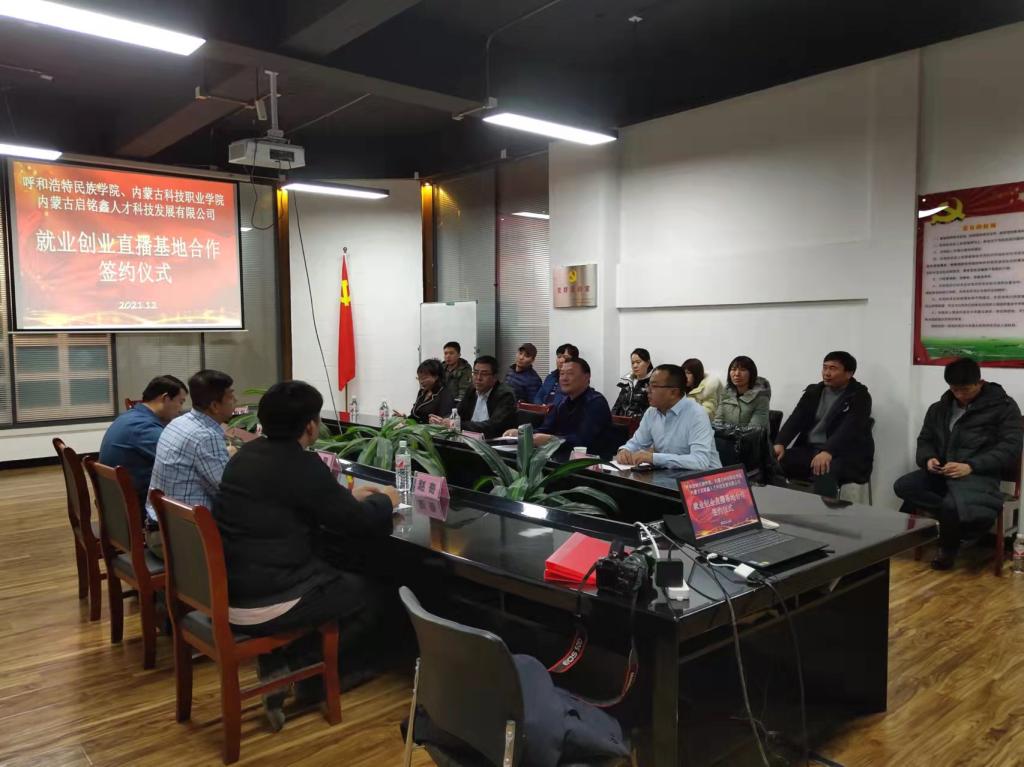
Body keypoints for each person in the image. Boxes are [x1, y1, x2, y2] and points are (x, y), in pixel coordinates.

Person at [214, 380, 399, 728]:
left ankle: (284, 660)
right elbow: (358, 522)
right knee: (374, 592)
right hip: (271, 599)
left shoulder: (246, 456)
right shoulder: (302, 464)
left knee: (339, 573)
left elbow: (303, 502)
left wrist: (347, 499)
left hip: (231, 590)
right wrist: (386, 501)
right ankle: (302, 669)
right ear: (311, 426)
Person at [894, 358, 1023, 570]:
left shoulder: (1004, 408)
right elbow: (925, 439)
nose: (960, 395)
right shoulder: (939, 408)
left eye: (966, 389)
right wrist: (928, 459)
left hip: (978, 475)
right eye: (955, 390)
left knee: (951, 505)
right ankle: (956, 526)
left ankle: (947, 551)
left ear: (979, 382)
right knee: (904, 486)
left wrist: (971, 466)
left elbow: (1010, 448)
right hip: (943, 471)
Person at [145, 369, 237, 558]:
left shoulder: (178, 423)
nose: (235, 400)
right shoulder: (205, 436)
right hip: (180, 540)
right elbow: (228, 494)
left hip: (161, 529)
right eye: (231, 396)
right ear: (215, 406)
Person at [773, 351, 873, 499]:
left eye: (833, 368)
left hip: (845, 454)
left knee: (823, 469)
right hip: (810, 450)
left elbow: (849, 429)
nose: (826, 373)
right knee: (773, 462)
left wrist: (828, 451)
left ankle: (822, 513)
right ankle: (781, 506)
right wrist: (780, 442)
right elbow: (796, 419)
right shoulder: (814, 392)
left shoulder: (860, 396)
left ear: (849, 373)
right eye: (825, 367)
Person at [99, 375, 188, 512]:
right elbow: (181, 462)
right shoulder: (143, 427)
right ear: (165, 398)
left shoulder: (131, 417)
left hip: (117, 506)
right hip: (139, 508)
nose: (181, 409)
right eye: (180, 402)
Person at [616, 364, 721, 470]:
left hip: (706, 478)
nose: (648, 390)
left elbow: (700, 461)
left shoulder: (697, 414)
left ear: (673, 392)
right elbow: (637, 443)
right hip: (669, 475)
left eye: (654, 386)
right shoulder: (651, 412)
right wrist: (625, 451)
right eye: (648, 385)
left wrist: (654, 458)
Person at [509, 358, 612, 452]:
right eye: (561, 374)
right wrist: (523, 434)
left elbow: (583, 440)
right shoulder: (561, 401)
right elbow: (546, 429)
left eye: (570, 374)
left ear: (586, 377)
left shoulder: (596, 402)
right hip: (559, 457)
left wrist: (551, 440)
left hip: (590, 461)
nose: (564, 378)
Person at [431, 355, 516, 438]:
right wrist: (443, 420)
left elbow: (493, 426)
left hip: (493, 441)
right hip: (469, 439)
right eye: (475, 373)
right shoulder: (472, 390)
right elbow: (458, 412)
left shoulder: (505, 395)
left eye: (484, 374)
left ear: (495, 377)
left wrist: (457, 424)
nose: (478, 378)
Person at [714, 356, 771, 428]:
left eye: (743, 370)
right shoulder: (726, 392)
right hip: (724, 434)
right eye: (733, 369)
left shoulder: (761, 397)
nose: (737, 374)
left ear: (752, 373)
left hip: (750, 435)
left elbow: (754, 431)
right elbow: (718, 421)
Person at [408, 359, 454, 424]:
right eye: (419, 378)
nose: (421, 382)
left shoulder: (444, 394)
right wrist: (405, 418)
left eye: (424, 378)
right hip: (418, 428)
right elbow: (415, 414)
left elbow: (444, 420)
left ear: (436, 377)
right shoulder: (422, 392)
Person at [612, 348, 653, 418]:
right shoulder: (627, 382)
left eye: (638, 362)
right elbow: (617, 406)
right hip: (621, 422)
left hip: (640, 423)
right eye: (633, 363)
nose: (635, 366)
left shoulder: (652, 384)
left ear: (648, 363)